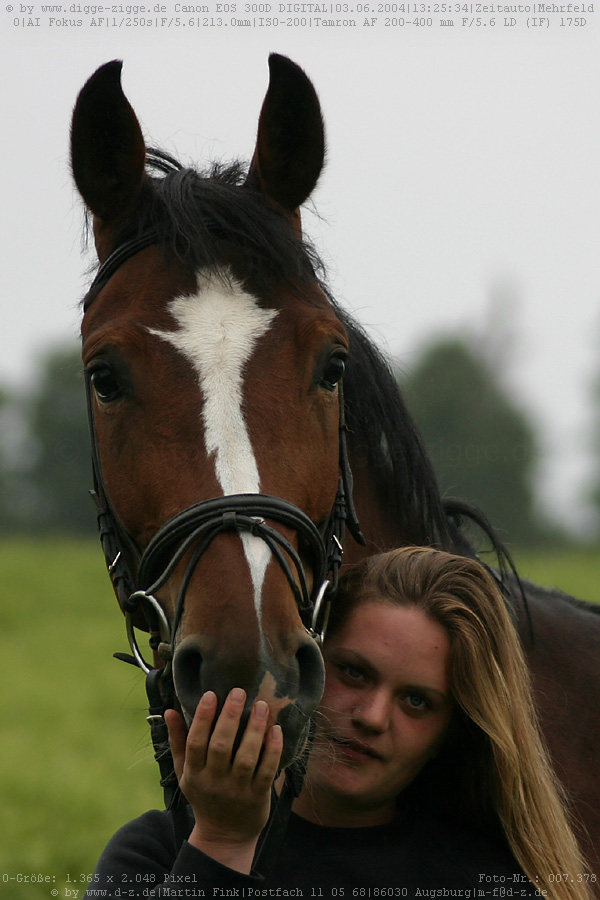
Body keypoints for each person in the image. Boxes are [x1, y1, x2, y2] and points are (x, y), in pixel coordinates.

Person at [86, 547, 592, 900]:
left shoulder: (485, 883)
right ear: (306, 666)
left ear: (451, 733)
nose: (372, 717)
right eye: (353, 672)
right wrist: (222, 843)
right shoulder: (155, 855)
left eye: (417, 701)